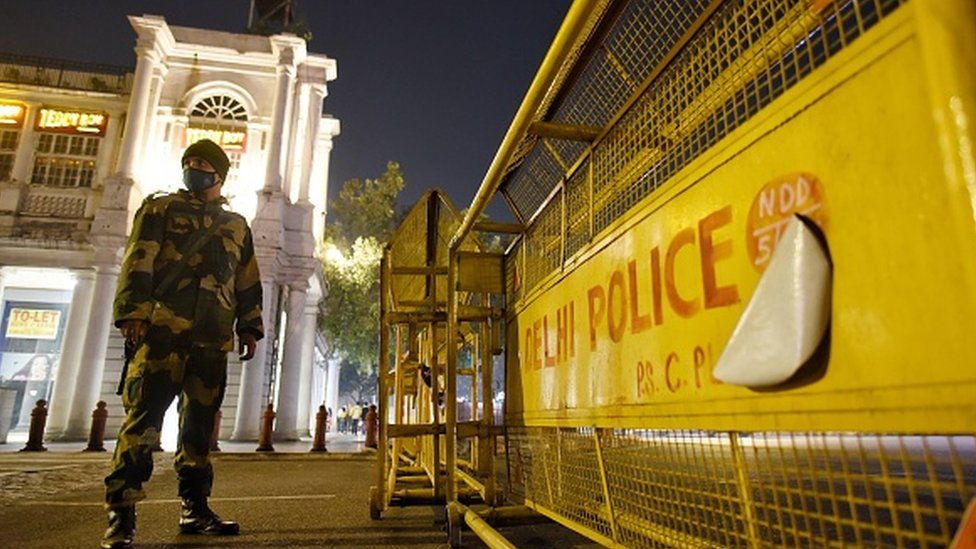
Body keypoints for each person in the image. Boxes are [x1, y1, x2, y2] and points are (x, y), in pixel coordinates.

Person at [101, 139, 264, 549]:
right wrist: (133, 313)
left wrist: (249, 327)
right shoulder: (159, 209)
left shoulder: (236, 225)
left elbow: (246, 281)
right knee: (143, 424)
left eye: (202, 164)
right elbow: (139, 258)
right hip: (161, 334)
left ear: (220, 174)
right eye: (188, 162)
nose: (193, 168)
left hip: (210, 340)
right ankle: (121, 516)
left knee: (198, 431)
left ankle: (195, 508)